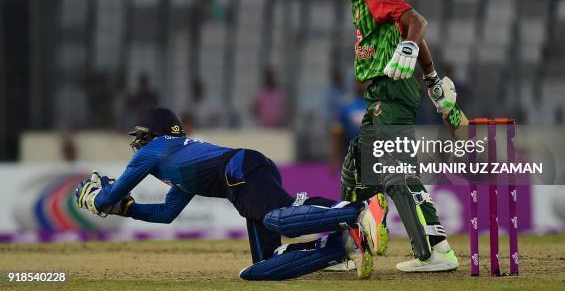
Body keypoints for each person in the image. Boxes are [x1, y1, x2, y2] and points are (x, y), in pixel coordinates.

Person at [75, 107, 388, 280]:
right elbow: (165, 214)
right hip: (243, 172)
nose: (138, 143)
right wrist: (127, 209)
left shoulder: (154, 150)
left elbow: (104, 199)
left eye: (142, 137)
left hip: (238, 169)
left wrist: (99, 199)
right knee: (259, 269)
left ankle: (360, 212)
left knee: (278, 218)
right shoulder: (177, 168)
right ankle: (342, 248)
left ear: (154, 135)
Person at [318, 0, 459, 272]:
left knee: (396, 173)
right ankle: (352, 248)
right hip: (381, 93)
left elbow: (416, 23)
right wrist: (431, 79)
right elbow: (407, 28)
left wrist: (411, 51)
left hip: (392, 91)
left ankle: (434, 252)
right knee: (356, 166)